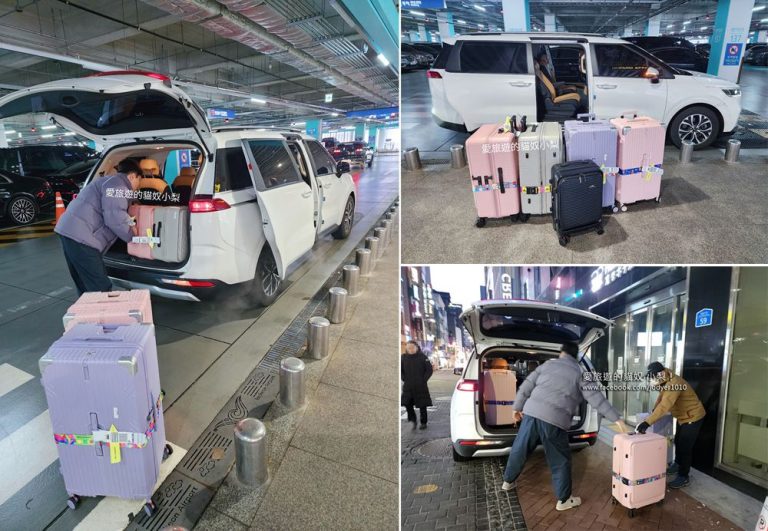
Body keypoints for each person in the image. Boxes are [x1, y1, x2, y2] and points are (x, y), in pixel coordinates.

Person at [501, 342, 629, 512]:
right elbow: (597, 398)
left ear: (561, 353)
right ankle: (564, 500)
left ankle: (508, 481)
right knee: (560, 460)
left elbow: (526, 386)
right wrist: (617, 419)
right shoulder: (580, 373)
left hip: (531, 414)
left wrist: (516, 408)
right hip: (554, 420)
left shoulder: (547, 365)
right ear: (575, 356)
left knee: (520, 449)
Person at [55, 159, 142, 296]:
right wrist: (132, 235)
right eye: (139, 180)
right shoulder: (118, 186)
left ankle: (86, 309)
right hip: (82, 238)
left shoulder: (108, 181)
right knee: (100, 287)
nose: (138, 186)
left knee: (85, 284)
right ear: (132, 176)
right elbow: (115, 217)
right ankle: (99, 309)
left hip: (69, 232)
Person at [636, 361, 706, 489]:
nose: (653, 379)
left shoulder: (674, 383)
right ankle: (677, 464)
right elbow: (661, 398)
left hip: (693, 416)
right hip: (683, 417)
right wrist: (654, 411)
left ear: (660, 373)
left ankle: (683, 476)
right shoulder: (665, 378)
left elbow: (665, 405)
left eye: (653, 377)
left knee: (685, 447)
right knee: (678, 441)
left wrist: (648, 422)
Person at [401, 340, 433, 430]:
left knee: (422, 405)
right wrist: (404, 378)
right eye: (409, 348)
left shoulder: (422, 357)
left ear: (416, 348)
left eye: (412, 348)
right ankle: (413, 420)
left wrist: (423, 380)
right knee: (407, 403)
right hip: (408, 386)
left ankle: (423, 422)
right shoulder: (403, 358)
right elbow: (400, 370)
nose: (411, 350)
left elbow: (429, 370)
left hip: (421, 386)